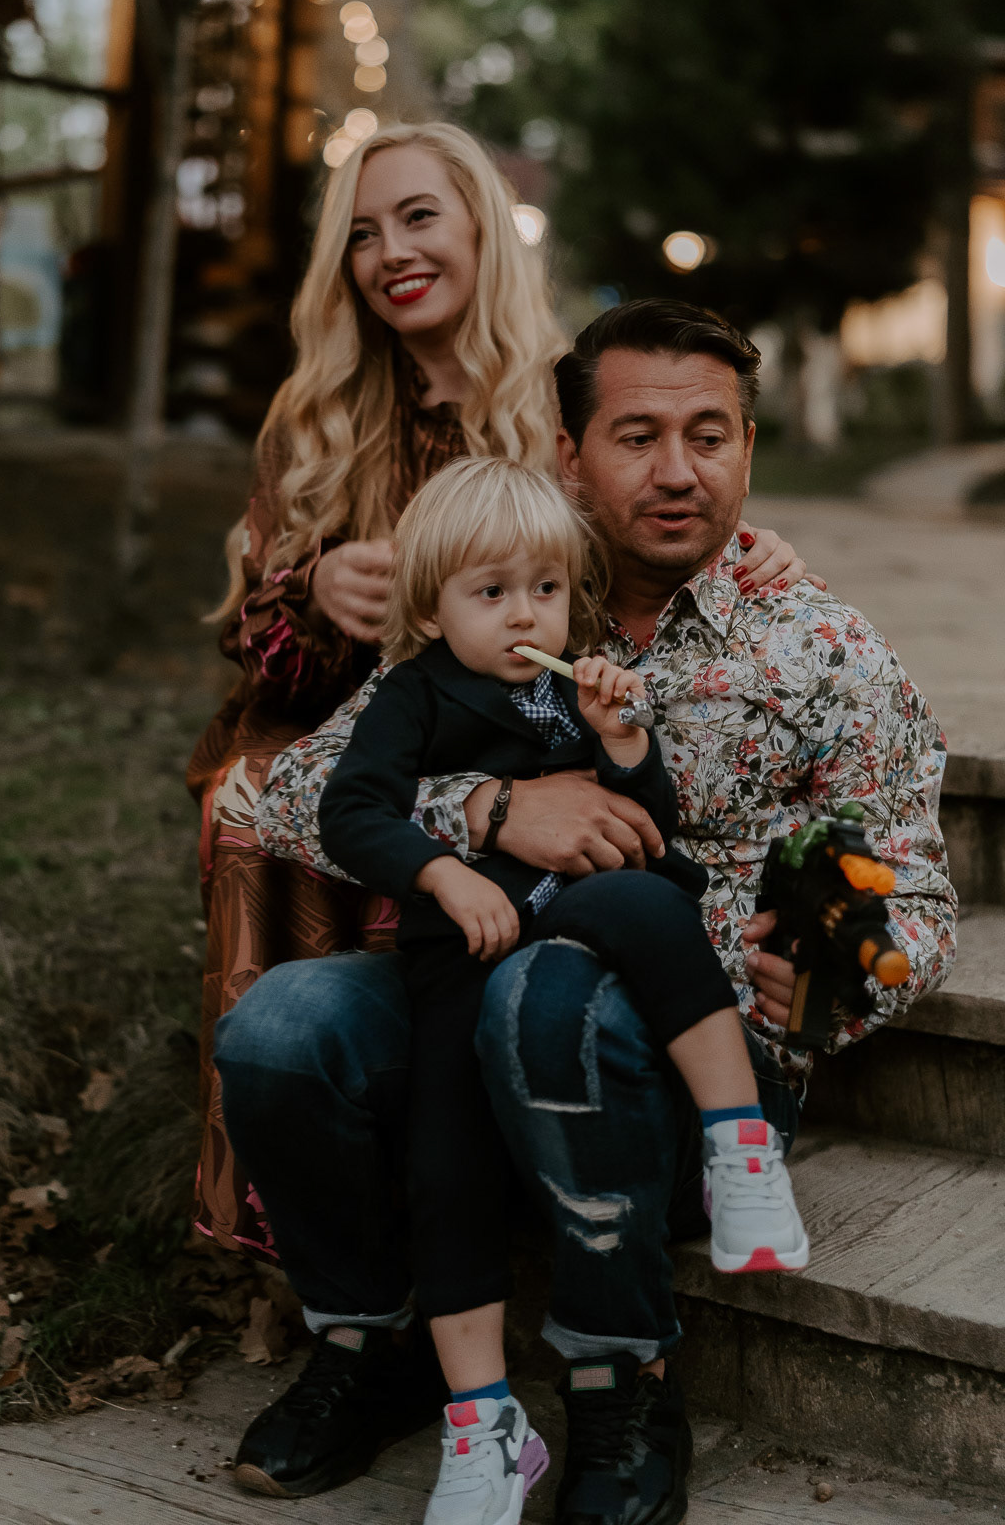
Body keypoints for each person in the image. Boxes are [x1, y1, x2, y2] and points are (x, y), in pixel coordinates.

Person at [215, 299, 956, 1525]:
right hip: (466, 998)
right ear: (570, 454)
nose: (677, 472)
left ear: (747, 449)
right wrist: (491, 811)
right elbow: (296, 794)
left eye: (708, 436)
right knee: (285, 1030)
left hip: (682, 1059)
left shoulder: (821, 647)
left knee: (550, 997)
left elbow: (914, 885)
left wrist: (844, 978)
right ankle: (373, 1345)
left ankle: (627, 1381)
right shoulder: (504, 594)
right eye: (637, 436)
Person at [187, 123, 805, 1263]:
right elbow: (252, 642)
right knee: (253, 801)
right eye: (362, 234)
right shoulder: (318, 413)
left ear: (482, 225)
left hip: (526, 725)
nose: (391, 251)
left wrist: (747, 553)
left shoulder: (561, 397)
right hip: (353, 725)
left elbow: (657, 539)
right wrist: (310, 590)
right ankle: (291, 1209)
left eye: (419, 216)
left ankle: (513, 1172)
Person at [318, 456, 807, 1525]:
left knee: (650, 899)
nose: (522, 614)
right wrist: (441, 871)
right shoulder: (412, 693)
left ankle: (740, 1145)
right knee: (444, 1174)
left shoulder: (577, 684)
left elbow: (648, 823)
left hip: (580, 917)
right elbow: (349, 811)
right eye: (490, 592)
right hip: (464, 952)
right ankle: (482, 1423)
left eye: (543, 588)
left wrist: (625, 742)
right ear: (431, 607)